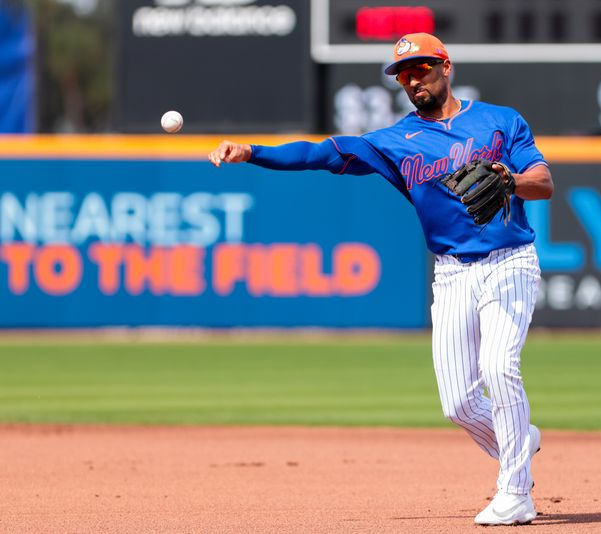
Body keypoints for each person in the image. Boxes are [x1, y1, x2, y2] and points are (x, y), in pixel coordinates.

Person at [208, 32, 553, 526]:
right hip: (452, 272)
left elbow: (543, 183)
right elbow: (320, 154)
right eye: (404, 74)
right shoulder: (393, 142)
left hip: (508, 260)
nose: (413, 80)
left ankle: (516, 493)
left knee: (499, 367)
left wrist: (508, 180)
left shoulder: (500, 121)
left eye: (422, 68)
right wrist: (252, 152)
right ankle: (519, 439)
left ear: (445, 65)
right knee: (457, 403)